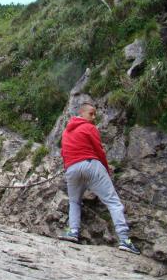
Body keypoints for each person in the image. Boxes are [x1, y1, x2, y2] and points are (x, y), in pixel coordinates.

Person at [58, 102, 140, 255]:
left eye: (95, 114)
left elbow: (64, 152)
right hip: (90, 164)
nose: (94, 117)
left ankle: (73, 231)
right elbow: (99, 150)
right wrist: (106, 170)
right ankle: (124, 239)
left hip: (71, 169)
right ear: (82, 113)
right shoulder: (89, 128)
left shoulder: (66, 132)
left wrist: (69, 168)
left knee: (74, 201)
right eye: (91, 113)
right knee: (113, 202)